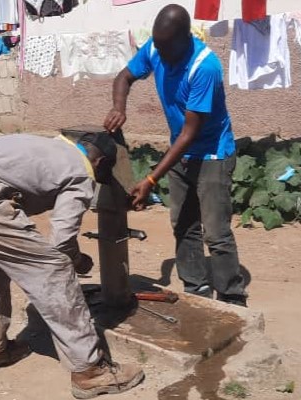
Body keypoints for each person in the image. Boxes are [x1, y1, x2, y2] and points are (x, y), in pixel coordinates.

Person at [0, 132, 144, 399]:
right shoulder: (81, 171)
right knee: (54, 270)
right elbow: (61, 242)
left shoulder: (49, 147)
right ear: (99, 162)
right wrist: (77, 260)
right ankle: (89, 371)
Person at [104, 4, 247, 306]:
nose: (161, 54)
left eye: (167, 47)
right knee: (183, 225)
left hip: (212, 155)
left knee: (216, 232)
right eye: (158, 45)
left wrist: (152, 179)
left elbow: (189, 134)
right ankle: (196, 292)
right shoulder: (158, 48)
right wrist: (119, 107)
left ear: (184, 38)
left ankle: (233, 300)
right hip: (180, 153)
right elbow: (124, 77)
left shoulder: (204, 66)